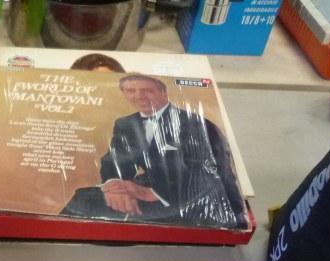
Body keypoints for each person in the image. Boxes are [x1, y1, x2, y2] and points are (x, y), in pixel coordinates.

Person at [61, 73, 247, 229]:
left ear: (164, 93)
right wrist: (114, 185)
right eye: (131, 91)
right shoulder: (126, 123)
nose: (139, 96)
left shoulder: (196, 124)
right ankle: (63, 236)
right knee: (83, 197)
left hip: (184, 199)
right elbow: (114, 161)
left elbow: (206, 175)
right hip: (144, 190)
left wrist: (148, 193)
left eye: (147, 90)